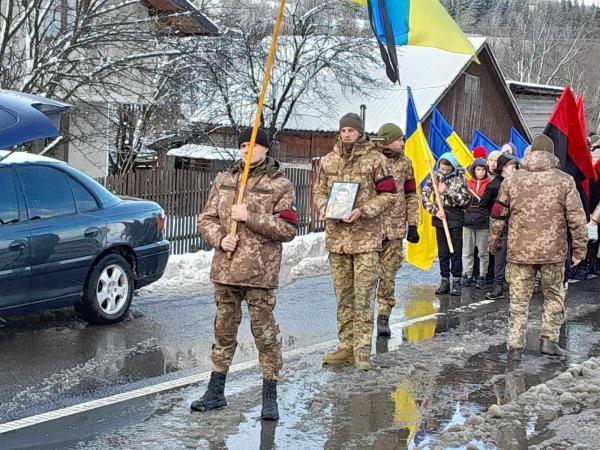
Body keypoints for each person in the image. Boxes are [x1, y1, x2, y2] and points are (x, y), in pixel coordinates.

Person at [193, 127, 298, 420]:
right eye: (242, 147)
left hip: (259, 273)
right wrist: (219, 238)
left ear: (266, 150)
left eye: (253, 147)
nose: (247, 152)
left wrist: (249, 217)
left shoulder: (280, 185)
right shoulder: (224, 179)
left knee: (264, 334)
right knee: (223, 331)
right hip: (225, 269)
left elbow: (287, 228)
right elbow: (207, 218)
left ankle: (269, 395)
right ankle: (215, 391)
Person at [489, 135, 587, 359]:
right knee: (553, 296)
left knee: (519, 299)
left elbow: (497, 215)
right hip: (553, 252)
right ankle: (548, 341)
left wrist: (494, 243)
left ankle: (514, 346)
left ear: (531, 152)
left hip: (519, 251)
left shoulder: (512, 180)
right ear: (552, 154)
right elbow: (577, 218)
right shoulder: (564, 180)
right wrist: (580, 250)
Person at [314, 112, 396, 371]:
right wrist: (322, 206)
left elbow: (389, 195)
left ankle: (362, 349)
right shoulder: (328, 161)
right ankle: (345, 346)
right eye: (343, 130)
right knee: (344, 296)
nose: (347, 134)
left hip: (365, 239)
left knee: (363, 296)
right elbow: (319, 190)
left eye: (351, 130)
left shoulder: (376, 160)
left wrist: (364, 210)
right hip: (337, 239)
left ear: (360, 132)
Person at [374, 123, 420, 337]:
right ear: (387, 140)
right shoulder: (371, 160)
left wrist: (413, 224)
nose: (403, 142)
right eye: (399, 139)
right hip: (370, 228)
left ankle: (383, 315)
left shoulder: (405, 163)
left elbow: (411, 195)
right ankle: (362, 319)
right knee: (366, 277)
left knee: (388, 274)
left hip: (394, 228)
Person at [421, 152, 469, 296]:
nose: (444, 169)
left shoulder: (461, 178)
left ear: (453, 166)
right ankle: (444, 280)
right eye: (442, 166)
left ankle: (456, 281)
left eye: (447, 167)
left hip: (455, 218)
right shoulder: (434, 176)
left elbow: (464, 200)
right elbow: (424, 196)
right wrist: (435, 211)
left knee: (455, 251)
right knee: (442, 252)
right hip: (440, 218)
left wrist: (446, 191)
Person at [480, 153, 519, 300]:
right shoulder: (494, 185)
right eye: (511, 166)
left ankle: (513, 284)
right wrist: (492, 220)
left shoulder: (518, 184)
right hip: (500, 226)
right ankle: (497, 285)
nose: (514, 169)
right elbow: (484, 205)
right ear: (503, 168)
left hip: (515, 227)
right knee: (499, 257)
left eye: (515, 166)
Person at [462, 158, 492, 289]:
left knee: (483, 252)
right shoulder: (468, 184)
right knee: (467, 250)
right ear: (473, 170)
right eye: (478, 169)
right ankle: (468, 274)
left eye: (483, 169)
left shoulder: (489, 184)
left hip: (483, 222)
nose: (480, 172)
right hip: (468, 221)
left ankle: (482, 275)